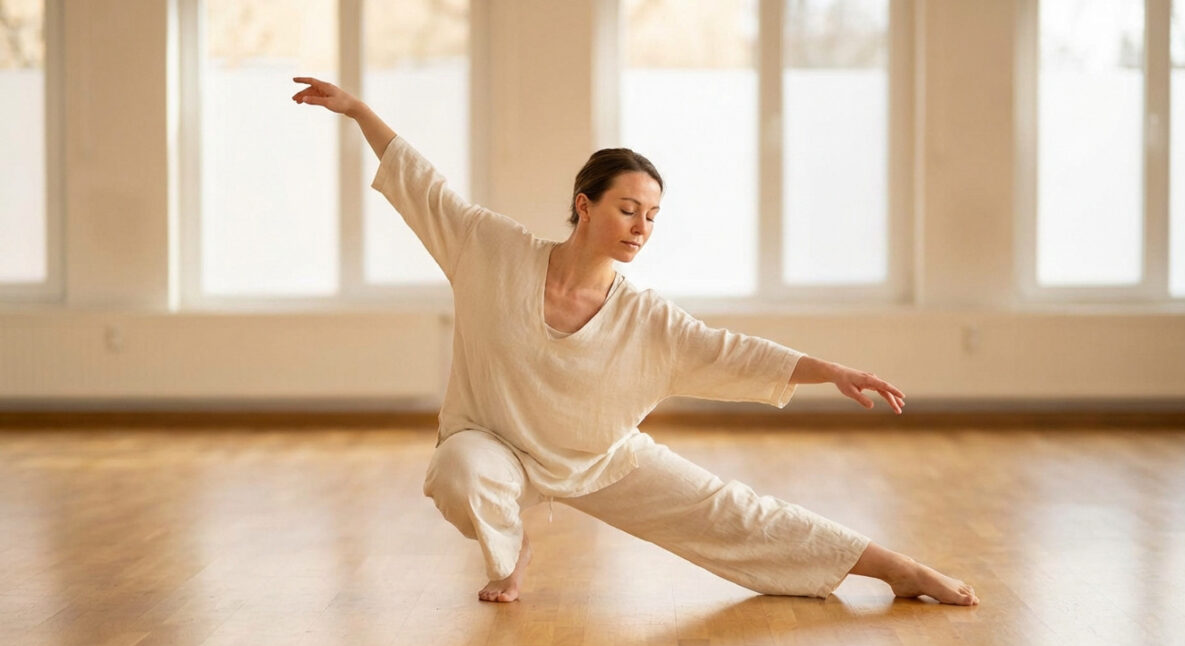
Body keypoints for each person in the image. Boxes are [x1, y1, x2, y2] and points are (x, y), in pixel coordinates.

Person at [291, 76, 979, 606]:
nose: (641, 226)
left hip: (599, 459)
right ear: (585, 205)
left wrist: (830, 370)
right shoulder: (491, 250)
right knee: (458, 473)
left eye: (651, 215)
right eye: (628, 208)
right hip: (493, 444)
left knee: (739, 515)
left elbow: (731, 351)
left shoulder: (646, 319)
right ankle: (516, 544)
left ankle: (899, 570)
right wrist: (357, 111)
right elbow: (424, 186)